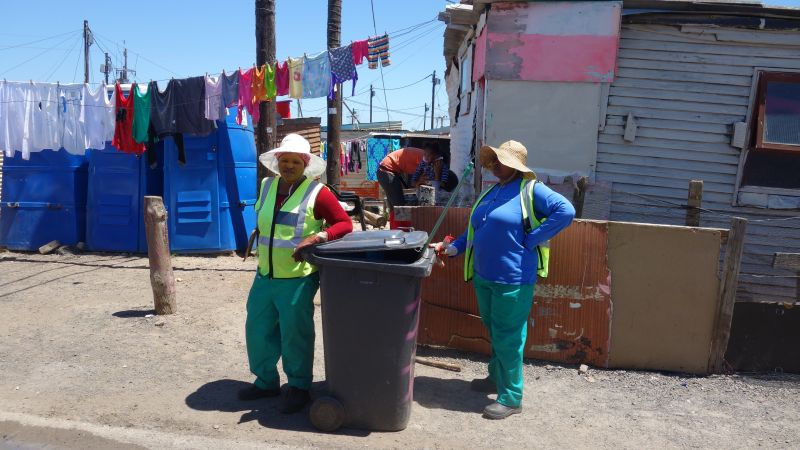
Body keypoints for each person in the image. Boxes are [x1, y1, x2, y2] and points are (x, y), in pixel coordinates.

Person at [433, 140, 575, 420]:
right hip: (484, 275)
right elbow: (476, 230)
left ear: (515, 165)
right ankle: (496, 376)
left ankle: (511, 397)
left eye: (501, 161)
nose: (496, 165)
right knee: (494, 329)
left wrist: (531, 238)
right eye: (495, 160)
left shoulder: (531, 190)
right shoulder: (492, 191)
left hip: (513, 278)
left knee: (508, 336)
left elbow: (566, 211)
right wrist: (454, 248)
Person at [239, 134, 353, 414]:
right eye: (284, 160)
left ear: (305, 164)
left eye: (295, 161)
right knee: (257, 330)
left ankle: (299, 387)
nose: (289, 166)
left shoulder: (318, 192)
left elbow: (344, 223)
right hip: (265, 275)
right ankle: (266, 382)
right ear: (277, 162)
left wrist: (317, 238)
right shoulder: (267, 186)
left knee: (295, 334)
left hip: (298, 278)